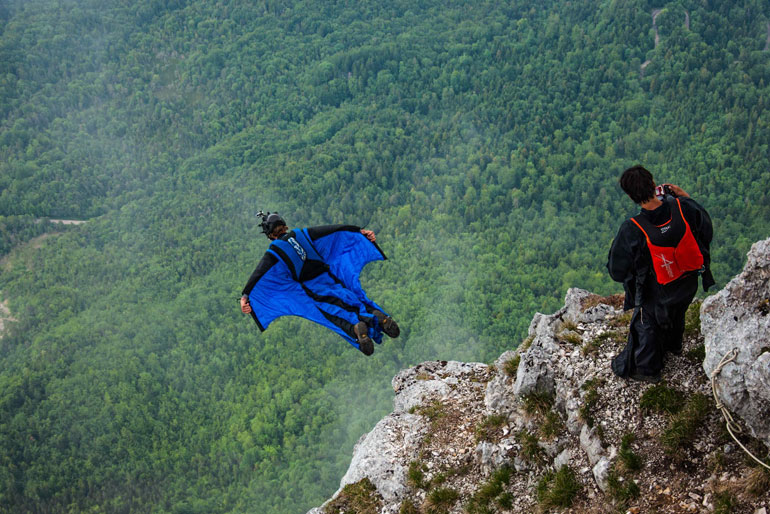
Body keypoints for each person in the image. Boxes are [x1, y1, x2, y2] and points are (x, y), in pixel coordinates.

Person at [607, 165, 714, 382]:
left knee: (647, 323)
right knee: (676, 312)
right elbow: (705, 230)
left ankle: (647, 371)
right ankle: (674, 346)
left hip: (659, 291)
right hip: (688, 282)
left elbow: (617, 270)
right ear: (654, 185)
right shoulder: (683, 207)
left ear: (631, 197)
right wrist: (686, 198)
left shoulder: (632, 228)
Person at [240, 212, 400, 355]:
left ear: (269, 235)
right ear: (284, 226)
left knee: (332, 315)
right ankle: (376, 316)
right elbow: (334, 230)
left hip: (312, 288)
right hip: (329, 277)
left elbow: (259, 274)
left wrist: (246, 295)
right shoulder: (302, 234)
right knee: (352, 299)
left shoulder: (274, 252)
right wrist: (359, 231)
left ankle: (355, 329)